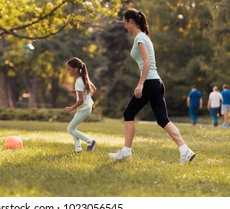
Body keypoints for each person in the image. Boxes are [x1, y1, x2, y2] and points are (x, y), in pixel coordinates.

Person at [108, 8, 195, 164]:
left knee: (128, 113)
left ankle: (126, 152)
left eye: (124, 22)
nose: (124, 26)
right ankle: (185, 151)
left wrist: (140, 84)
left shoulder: (140, 39)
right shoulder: (145, 37)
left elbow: (147, 63)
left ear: (131, 21)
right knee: (162, 119)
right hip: (157, 83)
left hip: (149, 82)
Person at [64, 57, 97, 153]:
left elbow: (81, 100)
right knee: (74, 128)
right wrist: (88, 98)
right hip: (86, 108)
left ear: (75, 69)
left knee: (70, 129)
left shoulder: (79, 81)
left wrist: (71, 108)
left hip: (84, 109)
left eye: (69, 69)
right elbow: (93, 89)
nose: (68, 71)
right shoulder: (83, 78)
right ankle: (78, 148)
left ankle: (90, 141)